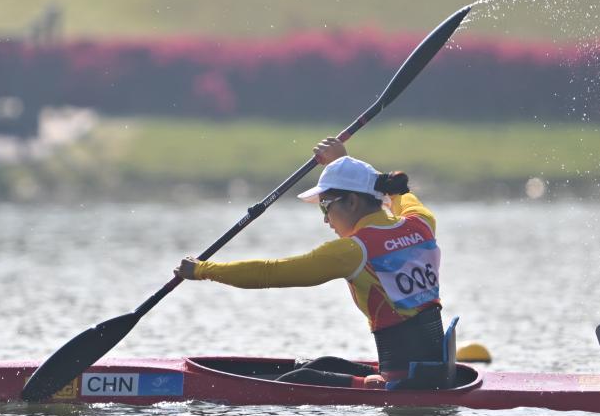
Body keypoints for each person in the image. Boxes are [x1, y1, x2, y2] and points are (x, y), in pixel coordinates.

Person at [175, 137, 444, 389]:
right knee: (324, 365)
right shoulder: (421, 222)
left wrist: (203, 270)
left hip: (401, 385)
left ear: (352, 202)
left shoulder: (354, 251)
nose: (325, 219)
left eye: (325, 206)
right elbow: (397, 193)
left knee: (301, 379)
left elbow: (270, 273)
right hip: (436, 372)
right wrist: (342, 164)